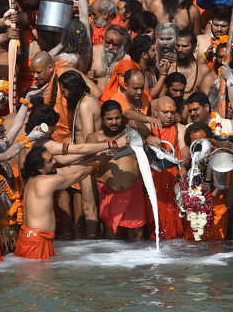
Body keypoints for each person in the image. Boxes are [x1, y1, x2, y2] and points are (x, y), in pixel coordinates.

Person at [16, 145, 99, 259]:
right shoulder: (47, 181)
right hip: (36, 240)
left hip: (30, 237)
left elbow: (67, 170)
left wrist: (96, 157)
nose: (54, 161)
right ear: (40, 168)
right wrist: (95, 165)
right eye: (50, 161)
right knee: (37, 271)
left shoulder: (31, 178)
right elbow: (77, 176)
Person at [89, 100, 146, 240]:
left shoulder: (131, 134)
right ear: (102, 119)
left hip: (134, 192)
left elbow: (147, 132)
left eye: (117, 118)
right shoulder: (94, 137)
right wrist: (114, 144)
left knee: (137, 236)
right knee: (112, 238)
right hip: (109, 194)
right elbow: (90, 155)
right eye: (109, 119)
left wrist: (137, 124)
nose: (114, 122)